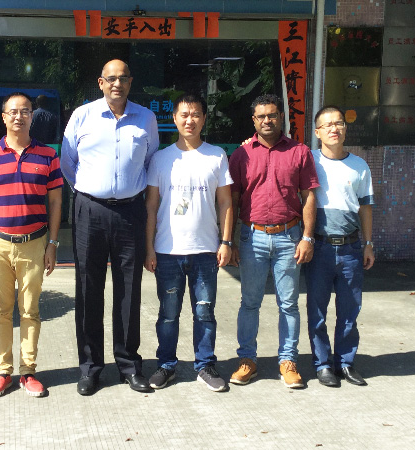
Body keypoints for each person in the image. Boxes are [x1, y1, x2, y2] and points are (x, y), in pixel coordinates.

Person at [61, 59, 159, 396]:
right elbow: (67, 162)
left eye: (123, 78)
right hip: (90, 210)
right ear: (101, 82)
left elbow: (151, 161)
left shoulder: (146, 118)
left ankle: (129, 365)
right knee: (88, 289)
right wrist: (88, 191)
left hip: (131, 211)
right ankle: (90, 368)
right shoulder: (82, 116)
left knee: (129, 290)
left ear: (130, 82)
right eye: (111, 79)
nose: (117, 84)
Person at [0, 92, 63, 398]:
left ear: (32, 116)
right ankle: (3, 372)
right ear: (3, 117)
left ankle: (28, 372)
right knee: (1, 311)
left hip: (33, 244)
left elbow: (56, 201)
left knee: (30, 311)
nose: (19, 116)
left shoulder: (47, 155)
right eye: (13, 112)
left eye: (25, 111)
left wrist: (53, 243)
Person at [228, 94, 319, 389]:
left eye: (272, 115)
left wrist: (307, 237)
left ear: (281, 117)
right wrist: (229, 240)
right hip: (251, 237)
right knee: (249, 303)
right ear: (253, 121)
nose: (267, 120)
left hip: (289, 237)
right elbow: (232, 199)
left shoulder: (300, 152)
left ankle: (288, 361)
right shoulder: (241, 155)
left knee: (289, 304)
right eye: (261, 116)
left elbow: (309, 196)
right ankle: (247, 360)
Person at [144, 93, 233, 392]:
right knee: (168, 314)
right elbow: (151, 206)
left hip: (206, 251)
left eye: (195, 114)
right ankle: (166, 365)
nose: (189, 120)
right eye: (184, 114)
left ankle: (205, 365)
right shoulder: (161, 158)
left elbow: (226, 202)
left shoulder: (216, 155)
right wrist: (149, 248)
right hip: (168, 251)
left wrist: (226, 241)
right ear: (174, 119)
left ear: (204, 118)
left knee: (204, 312)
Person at [306, 106, 374, 387]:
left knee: (349, 310)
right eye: (328, 125)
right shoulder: (309, 160)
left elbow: (366, 207)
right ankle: (323, 365)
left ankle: (345, 363)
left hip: (351, 248)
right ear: (317, 132)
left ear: (345, 129)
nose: (334, 129)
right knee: (317, 311)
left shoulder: (359, 165)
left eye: (339, 124)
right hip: (319, 248)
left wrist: (368, 244)